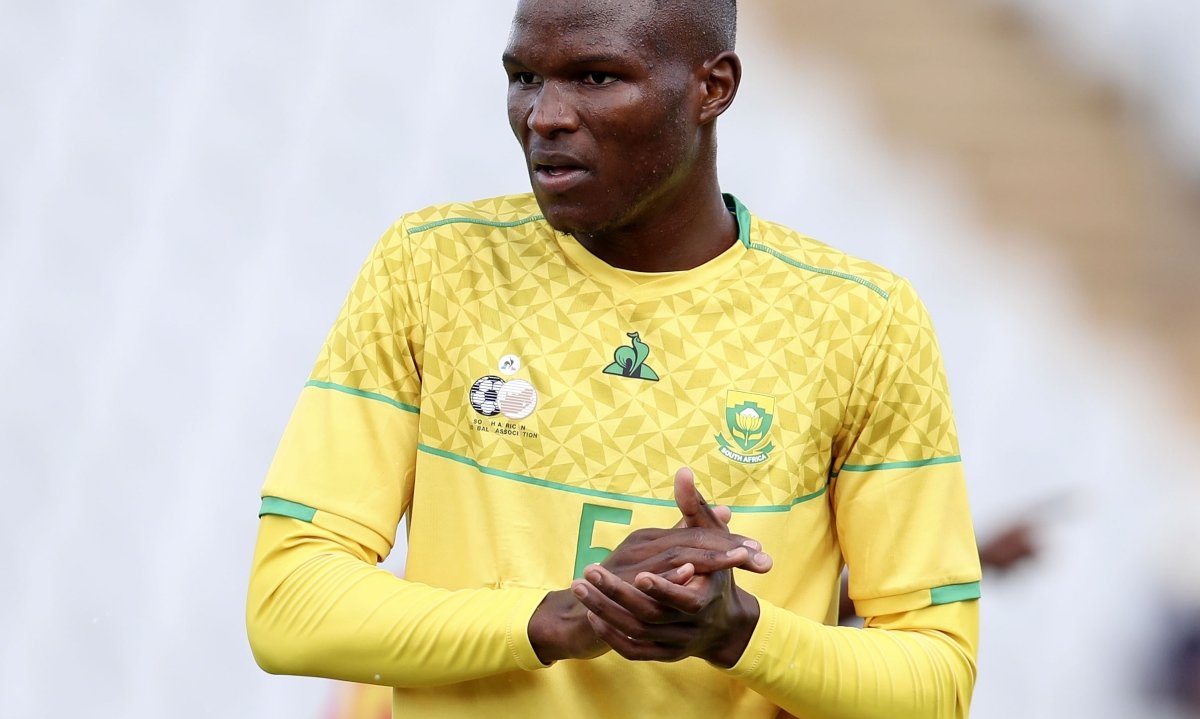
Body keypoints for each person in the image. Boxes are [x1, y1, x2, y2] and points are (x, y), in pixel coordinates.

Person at [246, 0, 982, 716]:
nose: (545, 116)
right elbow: (288, 604)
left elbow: (935, 683)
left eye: (596, 78)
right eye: (525, 77)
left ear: (712, 87)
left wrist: (741, 632)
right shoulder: (430, 269)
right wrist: (553, 619)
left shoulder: (861, 320)